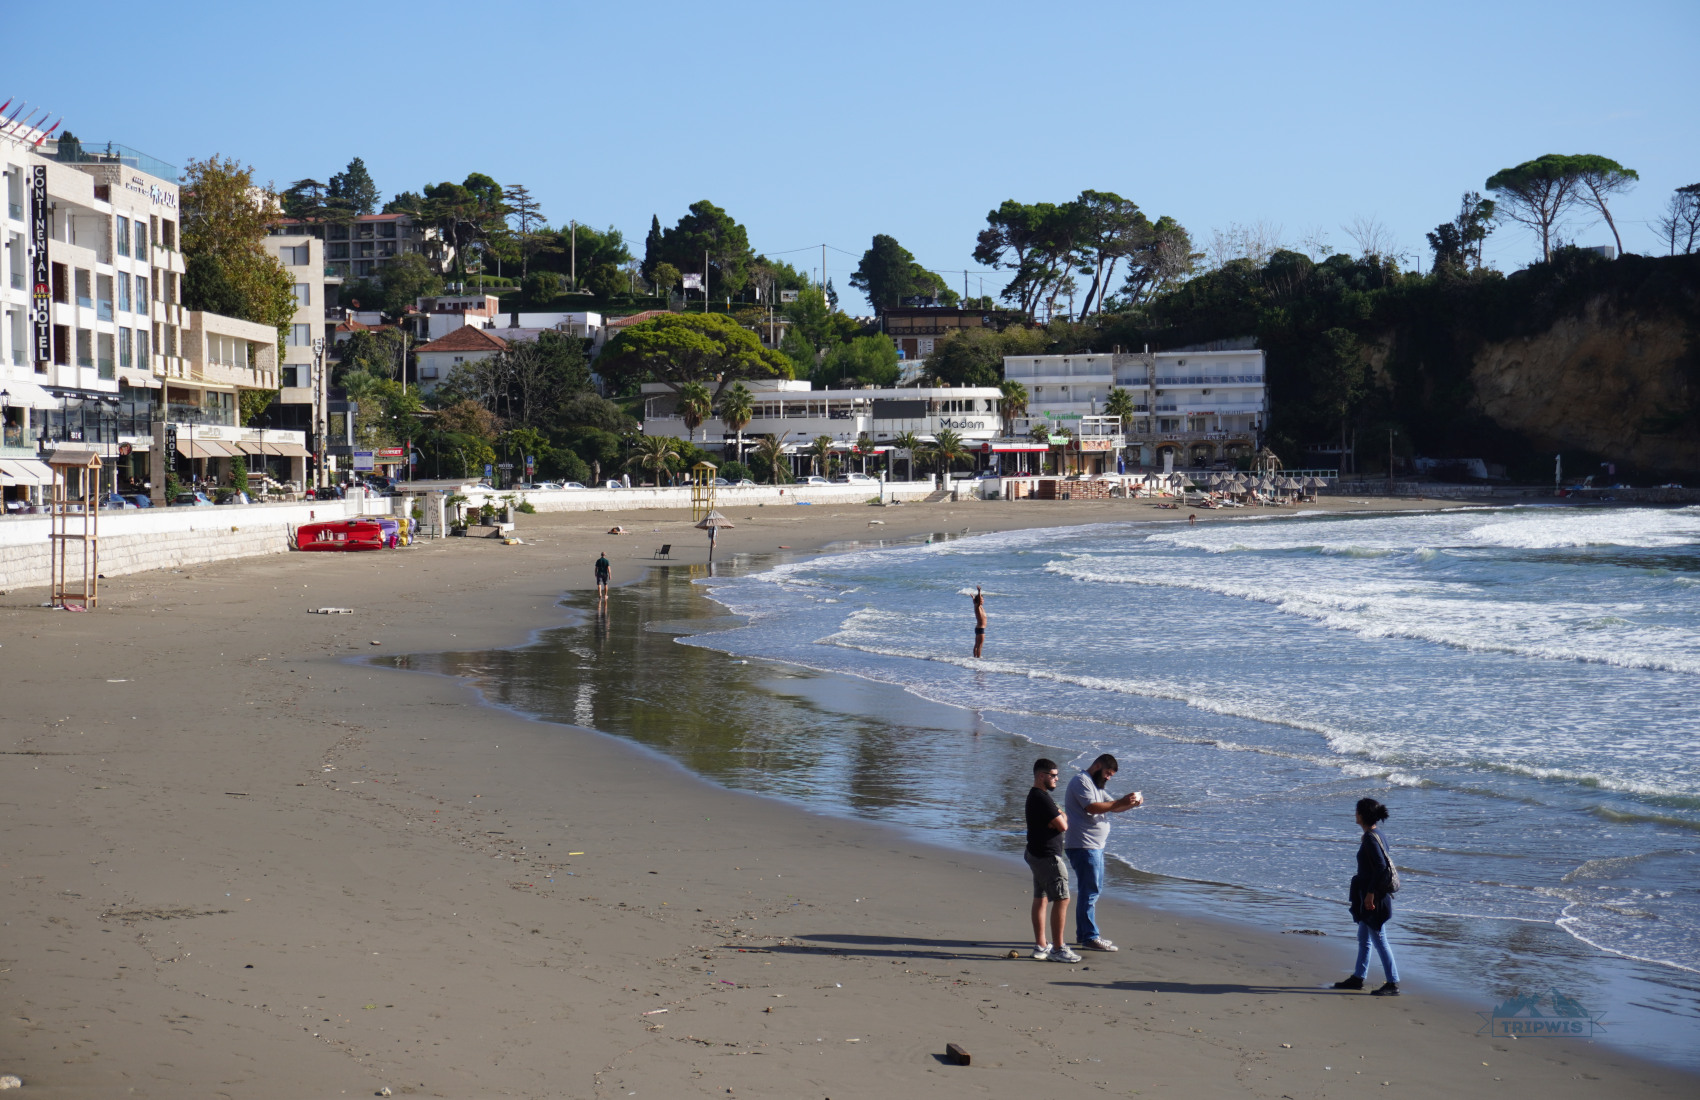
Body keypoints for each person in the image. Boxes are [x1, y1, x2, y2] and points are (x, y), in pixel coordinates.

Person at [1063, 753, 1143, 952]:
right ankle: (1090, 937)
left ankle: (1085, 935)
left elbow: (1113, 807)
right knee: (1090, 892)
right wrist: (1120, 802)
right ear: (1097, 765)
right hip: (1084, 845)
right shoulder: (1081, 781)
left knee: (1091, 890)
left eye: (1111, 776)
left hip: (1094, 846)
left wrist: (1130, 803)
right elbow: (1092, 807)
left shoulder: (1095, 785)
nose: (1108, 778)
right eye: (1107, 773)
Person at [1333, 797, 1401, 996]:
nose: (1354, 814)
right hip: (1367, 895)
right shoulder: (1376, 834)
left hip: (1374, 898)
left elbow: (1380, 867)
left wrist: (1370, 894)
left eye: (1356, 811)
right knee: (1364, 938)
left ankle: (1393, 982)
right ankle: (1358, 977)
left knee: (1379, 939)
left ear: (1362, 815)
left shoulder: (1371, 838)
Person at [1024, 758, 1077, 963]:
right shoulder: (1042, 798)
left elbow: (1061, 819)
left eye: (1057, 775)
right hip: (1046, 856)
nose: (1057, 779)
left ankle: (1041, 946)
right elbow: (1064, 825)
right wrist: (1061, 817)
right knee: (1062, 898)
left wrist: (1060, 816)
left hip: (1035, 853)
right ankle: (1057, 948)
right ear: (1041, 776)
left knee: (1042, 897)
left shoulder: (1038, 796)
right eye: (1053, 775)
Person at [972, 585, 987, 657]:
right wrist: (979, 591)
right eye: (982, 599)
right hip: (980, 628)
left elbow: (975, 602)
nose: (983, 600)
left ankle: (975, 659)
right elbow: (977, 602)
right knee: (979, 646)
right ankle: (978, 659)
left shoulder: (978, 606)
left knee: (977, 645)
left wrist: (974, 598)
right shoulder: (978, 607)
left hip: (978, 628)